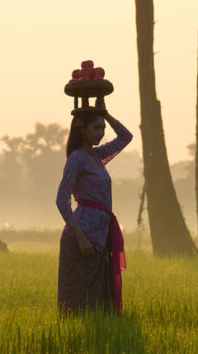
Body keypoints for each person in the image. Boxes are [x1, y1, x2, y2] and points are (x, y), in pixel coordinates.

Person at [55, 99, 132, 315]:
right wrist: (79, 236)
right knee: (80, 301)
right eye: (96, 127)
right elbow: (62, 200)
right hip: (81, 238)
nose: (101, 133)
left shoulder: (97, 157)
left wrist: (105, 114)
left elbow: (126, 137)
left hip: (100, 235)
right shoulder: (77, 159)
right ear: (82, 129)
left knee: (98, 298)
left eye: (103, 128)